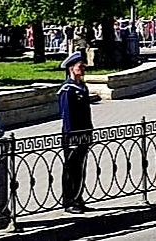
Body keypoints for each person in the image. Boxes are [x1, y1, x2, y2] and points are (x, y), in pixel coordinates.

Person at [58, 50, 93, 214]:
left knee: (80, 168)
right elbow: (68, 116)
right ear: (71, 68)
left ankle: (78, 197)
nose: (83, 68)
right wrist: (72, 138)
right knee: (71, 169)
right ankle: (69, 200)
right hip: (73, 136)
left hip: (84, 134)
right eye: (80, 66)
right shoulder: (68, 90)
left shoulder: (81, 87)